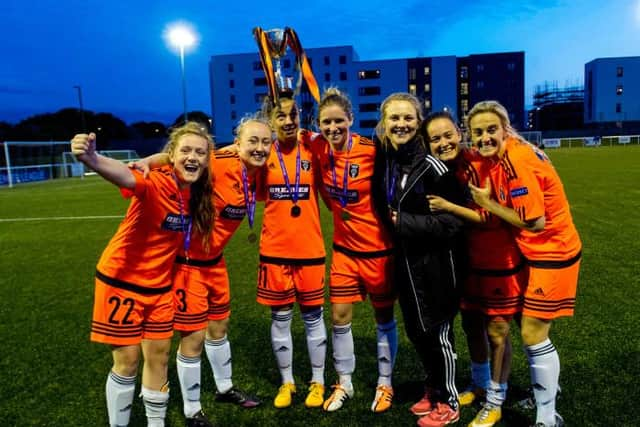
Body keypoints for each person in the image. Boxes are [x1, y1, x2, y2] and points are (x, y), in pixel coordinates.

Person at [71, 122, 214, 427]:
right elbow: (126, 176)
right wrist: (92, 160)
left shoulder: (197, 192)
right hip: (121, 282)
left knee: (160, 357)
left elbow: (227, 151)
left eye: (200, 152)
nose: (193, 157)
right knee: (128, 361)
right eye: (185, 150)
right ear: (171, 155)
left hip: (160, 287)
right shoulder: (156, 182)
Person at [132, 116, 271, 427]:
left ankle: (224, 388)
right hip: (188, 265)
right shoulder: (218, 161)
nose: (260, 148)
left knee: (219, 329)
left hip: (216, 263)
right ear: (237, 142)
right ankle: (192, 410)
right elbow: (175, 158)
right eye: (253, 141)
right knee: (192, 340)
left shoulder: (261, 172)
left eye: (265, 142)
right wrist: (145, 161)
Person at [467, 100, 581, 427]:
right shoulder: (514, 151)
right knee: (528, 327)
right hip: (536, 252)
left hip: (552, 252)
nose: (485, 137)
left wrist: (487, 204)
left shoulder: (517, 161)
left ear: (506, 128)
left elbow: (534, 222)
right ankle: (547, 391)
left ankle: (547, 416)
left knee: (532, 333)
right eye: (478, 132)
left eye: (492, 130)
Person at [423, 111, 527, 427]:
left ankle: (496, 400)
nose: (443, 143)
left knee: (498, 331)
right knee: (471, 326)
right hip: (467, 262)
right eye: (435, 139)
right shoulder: (441, 171)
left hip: (497, 260)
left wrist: (449, 207)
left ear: (459, 133)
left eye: (448, 135)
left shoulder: (480, 163)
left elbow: (492, 217)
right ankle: (480, 385)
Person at [373, 93, 466, 427]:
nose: (401, 124)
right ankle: (434, 388)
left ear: (418, 121)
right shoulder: (388, 162)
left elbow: (454, 223)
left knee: (439, 336)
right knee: (417, 332)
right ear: (385, 123)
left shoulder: (434, 168)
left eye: (408, 118)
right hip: (405, 267)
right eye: (394, 118)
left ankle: (450, 400)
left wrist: (403, 223)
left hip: (435, 267)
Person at [311, 88, 398, 413]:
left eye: (339, 121)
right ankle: (344, 382)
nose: (332, 128)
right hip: (344, 250)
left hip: (378, 250)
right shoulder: (317, 145)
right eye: (325, 123)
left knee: (383, 318)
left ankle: (385, 383)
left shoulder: (371, 150)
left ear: (351, 119)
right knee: (340, 318)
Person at [256, 92, 328, 409]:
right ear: (270, 120)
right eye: (280, 115)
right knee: (281, 318)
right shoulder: (262, 154)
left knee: (313, 318)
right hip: (274, 251)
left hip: (310, 249)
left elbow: (335, 139)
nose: (288, 120)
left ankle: (318, 381)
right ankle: (287, 382)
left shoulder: (312, 149)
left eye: (293, 113)